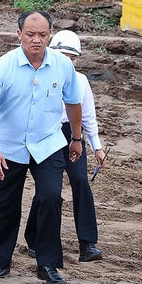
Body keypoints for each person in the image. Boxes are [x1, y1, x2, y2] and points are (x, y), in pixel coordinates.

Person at [0, 11, 83, 284]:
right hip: (8, 146)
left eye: (43, 35)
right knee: (6, 203)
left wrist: (76, 137)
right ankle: (1, 259)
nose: (37, 40)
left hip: (47, 143)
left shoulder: (62, 66)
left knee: (50, 198)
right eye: (31, 35)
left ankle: (47, 263)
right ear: (20, 34)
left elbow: (73, 103)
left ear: (50, 35)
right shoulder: (4, 66)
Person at [22, 30, 106, 263]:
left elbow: (87, 115)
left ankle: (87, 243)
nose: (69, 62)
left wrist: (96, 146)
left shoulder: (80, 81)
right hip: (47, 133)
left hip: (72, 133)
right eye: (64, 56)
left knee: (80, 181)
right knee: (49, 187)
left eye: (73, 58)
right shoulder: (41, 75)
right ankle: (36, 238)